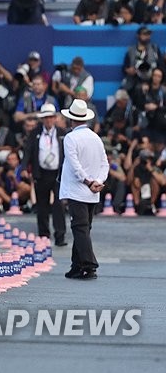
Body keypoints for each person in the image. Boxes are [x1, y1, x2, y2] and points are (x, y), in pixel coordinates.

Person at [59, 100, 107, 280]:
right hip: (93, 190)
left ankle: (88, 266)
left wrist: (88, 181)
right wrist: (98, 181)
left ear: (71, 119)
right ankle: (77, 265)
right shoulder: (96, 137)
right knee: (84, 228)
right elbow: (105, 164)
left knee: (80, 228)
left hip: (78, 189)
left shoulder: (71, 138)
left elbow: (74, 165)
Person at [24, 104, 67, 247]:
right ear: (42, 119)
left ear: (55, 118)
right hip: (41, 173)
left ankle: (60, 235)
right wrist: (24, 167)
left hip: (58, 174)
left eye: (51, 117)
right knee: (42, 205)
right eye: (46, 118)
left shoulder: (62, 133)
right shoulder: (35, 133)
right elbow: (28, 151)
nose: (48, 120)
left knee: (59, 204)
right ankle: (44, 235)